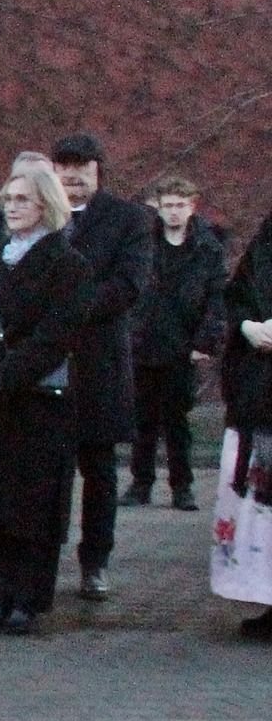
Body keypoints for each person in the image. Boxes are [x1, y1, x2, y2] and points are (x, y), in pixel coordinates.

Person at [0, 162, 89, 635]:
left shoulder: (66, 263)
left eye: (22, 200)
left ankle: (27, 601)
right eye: (8, 200)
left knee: (32, 504)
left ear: (45, 205)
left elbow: (57, 332)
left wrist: (8, 373)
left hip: (39, 399)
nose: (11, 208)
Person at [52, 133, 153, 601]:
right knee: (47, 471)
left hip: (98, 363)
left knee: (99, 470)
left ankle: (95, 562)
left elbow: (129, 284)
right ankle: (40, 557)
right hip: (44, 361)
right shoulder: (39, 211)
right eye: (65, 167)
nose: (73, 176)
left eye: (82, 166)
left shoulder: (128, 219)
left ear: (97, 170)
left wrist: (68, 309)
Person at [123, 175, 225, 511]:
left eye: (180, 205)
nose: (174, 212)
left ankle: (182, 487)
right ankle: (140, 484)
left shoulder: (207, 248)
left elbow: (216, 298)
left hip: (183, 344)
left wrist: (205, 341)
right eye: (168, 205)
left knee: (178, 422)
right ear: (159, 207)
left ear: (192, 207)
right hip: (145, 342)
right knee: (143, 420)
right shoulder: (144, 243)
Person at [213, 211, 272, 640]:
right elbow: (236, 296)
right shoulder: (264, 244)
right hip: (261, 394)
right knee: (262, 512)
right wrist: (248, 326)